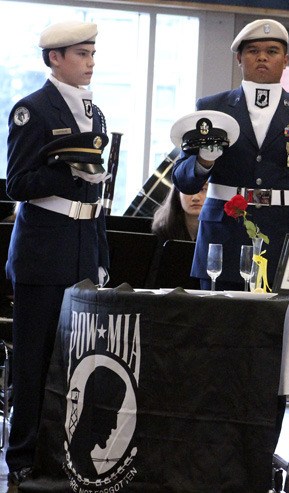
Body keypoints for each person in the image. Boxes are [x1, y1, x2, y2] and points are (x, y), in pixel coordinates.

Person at [5, 20, 109, 486]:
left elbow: (97, 198)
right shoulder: (32, 110)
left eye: (91, 53)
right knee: (33, 360)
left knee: (76, 362)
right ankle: (23, 456)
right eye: (82, 53)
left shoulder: (97, 115)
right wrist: (67, 174)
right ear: (55, 58)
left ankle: (64, 449)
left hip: (83, 247)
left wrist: (101, 256)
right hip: (43, 251)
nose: (90, 62)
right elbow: (18, 184)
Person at [172, 18, 289, 292]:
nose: (262, 57)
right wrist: (203, 161)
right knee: (219, 331)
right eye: (253, 50)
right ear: (239, 58)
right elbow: (183, 181)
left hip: (287, 243)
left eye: (272, 51)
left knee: (279, 333)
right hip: (224, 237)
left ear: (285, 60)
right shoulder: (211, 108)